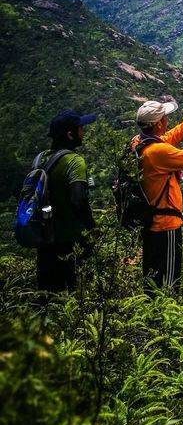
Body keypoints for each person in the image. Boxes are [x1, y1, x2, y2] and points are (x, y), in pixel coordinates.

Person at [133, 99, 183, 293]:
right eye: (164, 118)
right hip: (165, 225)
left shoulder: (140, 143)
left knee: (152, 278)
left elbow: (168, 138)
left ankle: (150, 316)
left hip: (150, 223)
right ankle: (165, 319)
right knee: (169, 282)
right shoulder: (157, 152)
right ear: (158, 124)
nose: (167, 121)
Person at [35, 109, 98, 293]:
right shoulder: (74, 161)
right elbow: (78, 200)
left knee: (47, 294)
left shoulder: (40, 158)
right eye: (80, 129)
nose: (83, 133)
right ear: (70, 134)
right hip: (69, 240)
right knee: (73, 291)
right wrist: (92, 228)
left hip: (45, 238)